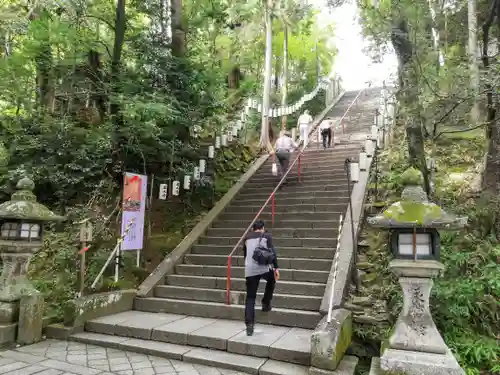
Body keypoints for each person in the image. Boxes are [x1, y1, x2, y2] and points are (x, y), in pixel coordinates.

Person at [242, 220, 280, 336]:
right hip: (263, 268)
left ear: (253, 228)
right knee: (272, 279)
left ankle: (249, 325)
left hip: (250, 270)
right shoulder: (266, 236)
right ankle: (266, 303)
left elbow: (245, 255)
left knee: (250, 297)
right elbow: (272, 253)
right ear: (262, 228)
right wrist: (276, 268)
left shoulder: (246, 238)